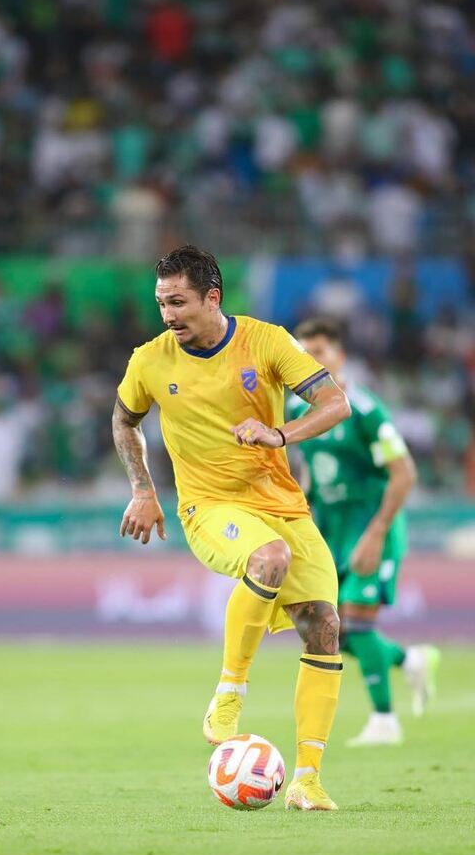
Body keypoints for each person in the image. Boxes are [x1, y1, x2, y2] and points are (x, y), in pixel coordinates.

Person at [112, 245, 351, 811]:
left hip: (282, 502)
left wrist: (281, 434)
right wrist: (144, 490)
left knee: (323, 625)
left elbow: (334, 403)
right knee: (268, 558)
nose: (168, 314)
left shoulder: (266, 342)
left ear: (212, 297)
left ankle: (308, 779)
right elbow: (124, 421)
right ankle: (229, 693)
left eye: (178, 302)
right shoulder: (150, 360)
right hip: (209, 507)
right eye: (161, 303)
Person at [291, 318, 439, 746]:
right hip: (330, 532)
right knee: (317, 629)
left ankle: (384, 720)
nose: (311, 360)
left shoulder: (366, 410)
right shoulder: (300, 413)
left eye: (319, 351)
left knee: (353, 626)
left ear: (340, 356)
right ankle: (409, 659)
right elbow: (312, 480)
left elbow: (404, 474)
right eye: (305, 353)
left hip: (372, 528)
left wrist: (375, 535)